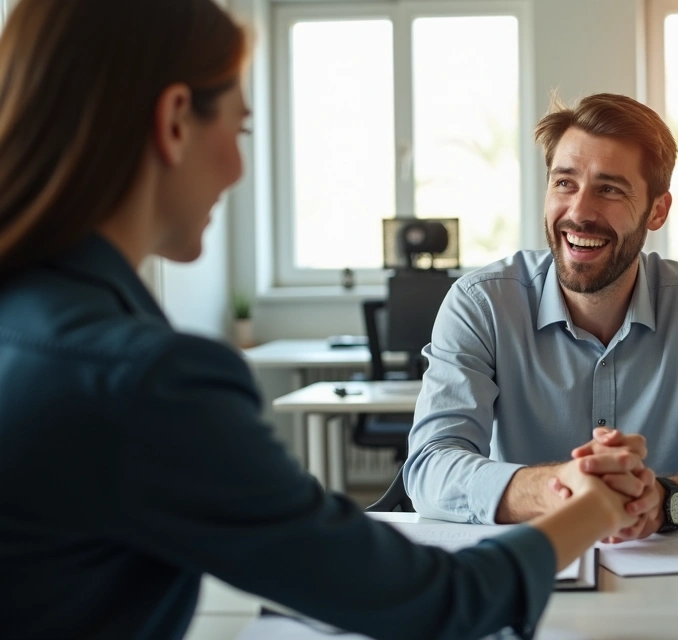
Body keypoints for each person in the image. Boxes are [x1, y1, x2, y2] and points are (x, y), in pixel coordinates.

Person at [0, 2, 638, 638]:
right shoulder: (147, 381)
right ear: (173, 123)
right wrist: (591, 505)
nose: (238, 168)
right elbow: (440, 603)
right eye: (241, 130)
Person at [405, 93, 678, 540]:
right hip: (523, 571)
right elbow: (430, 467)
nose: (579, 212)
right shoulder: (480, 303)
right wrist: (559, 489)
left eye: (610, 189)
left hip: (659, 574)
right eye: (565, 183)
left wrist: (666, 500)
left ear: (657, 210)